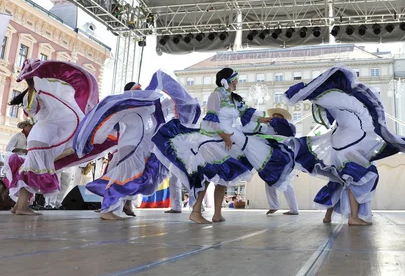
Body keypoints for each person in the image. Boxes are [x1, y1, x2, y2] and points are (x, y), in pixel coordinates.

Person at [285, 66, 405, 226]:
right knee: (360, 175)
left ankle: (328, 216)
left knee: (340, 179)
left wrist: (306, 92)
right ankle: (354, 217)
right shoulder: (340, 99)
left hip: (339, 142)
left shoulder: (333, 100)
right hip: (350, 142)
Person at [152, 68, 296, 224]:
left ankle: (217, 214)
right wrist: (223, 135)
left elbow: (246, 112)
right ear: (227, 80)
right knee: (208, 174)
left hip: (232, 138)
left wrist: (263, 119)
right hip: (216, 138)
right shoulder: (216, 95)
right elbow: (211, 118)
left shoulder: (234, 99)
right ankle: (195, 212)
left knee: (224, 177)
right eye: (235, 79)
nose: (237, 82)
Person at [76, 71, 200, 220]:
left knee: (129, 178)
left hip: (140, 147)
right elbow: (109, 121)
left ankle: (115, 207)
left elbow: (169, 104)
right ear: (132, 93)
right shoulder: (127, 107)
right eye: (139, 91)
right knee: (122, 176)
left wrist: (187, 103)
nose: (144, 93)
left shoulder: (148, 107)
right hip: (130, 146)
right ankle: (107, 210)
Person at [5, 59, 100, 215]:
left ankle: (19, 206)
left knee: (30, 170)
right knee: (34, 172)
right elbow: (60, 108)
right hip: (43, 136)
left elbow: (35, 113)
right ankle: (21, 207)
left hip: (37, 134)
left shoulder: (28, 96)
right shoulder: (43, 94)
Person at [261, 108, 299, 216]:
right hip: (273, 156)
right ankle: (274, 205)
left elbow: (287, 132)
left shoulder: (288, 126)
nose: (275, 118)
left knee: (286, 182)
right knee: (268, 180)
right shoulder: (270, 127)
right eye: (274, 116)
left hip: (285, 156)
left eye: (278, 117)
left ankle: (293, 209)